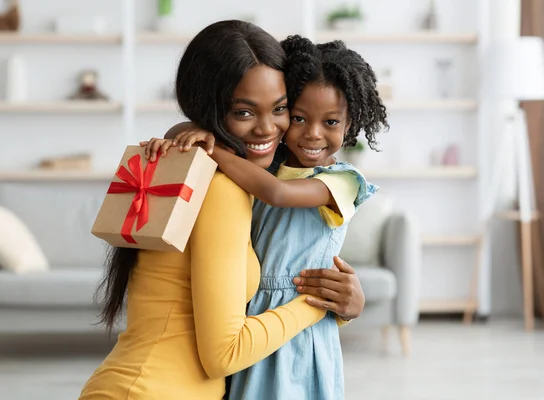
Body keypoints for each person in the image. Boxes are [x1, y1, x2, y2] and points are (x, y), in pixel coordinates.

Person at [79, 21, 365, 400]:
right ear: (210, 109)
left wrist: (342, 305)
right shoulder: (221, 189)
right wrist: (318, 307)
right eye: (244, 112)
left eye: (280, 109)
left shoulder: (207, 172)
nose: (268, 129)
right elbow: (225, 352)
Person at [153, 35, 388, 399]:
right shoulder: (264, 163)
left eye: (330, 122)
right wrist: (188, 133)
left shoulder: (340, 181)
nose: (313, 133)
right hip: (246, 322)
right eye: (298, 117)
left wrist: (213, 152)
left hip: (298, 328)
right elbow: (181, 134)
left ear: (350, 121)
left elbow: (277, 195)